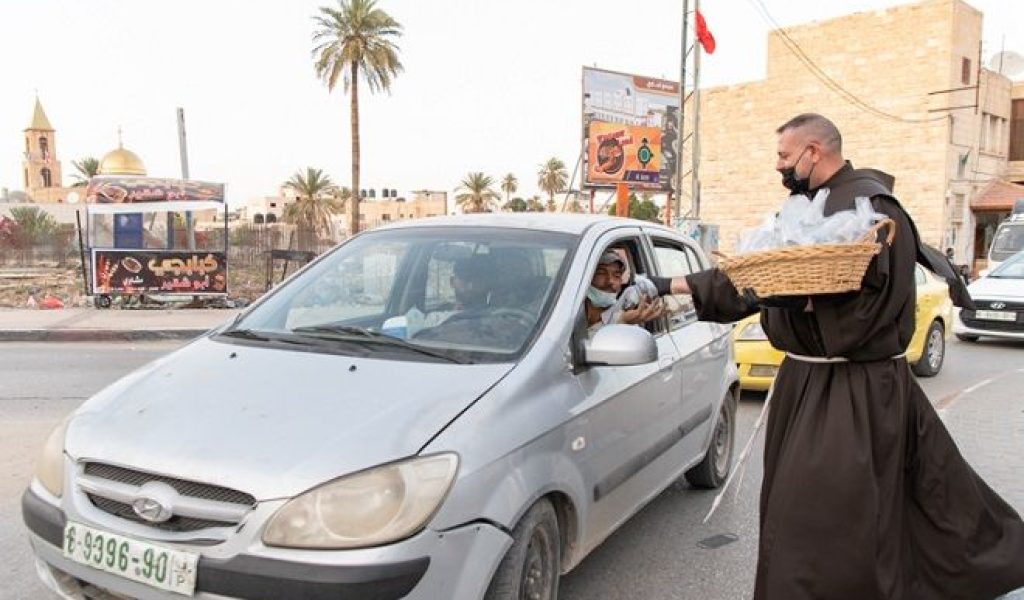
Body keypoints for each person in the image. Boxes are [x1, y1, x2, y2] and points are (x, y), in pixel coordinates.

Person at [662, 113, 1024, 599]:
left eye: (785, 157)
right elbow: (753, 280)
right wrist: (669, 287)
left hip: (855, 394)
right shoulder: (804, 208)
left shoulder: (877, 211)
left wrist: (802, 301)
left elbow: (869, 312)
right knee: (808, 518)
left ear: (815, 152)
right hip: (805, 386)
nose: (779, 167)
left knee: (827, 527)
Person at [584, 250, 663, 333]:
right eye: (601, 273)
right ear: (587, 278)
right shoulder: (572, 309)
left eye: (616, 276)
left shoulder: (627, 316)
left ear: (621, 283)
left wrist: (622, 322)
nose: (610, 281)